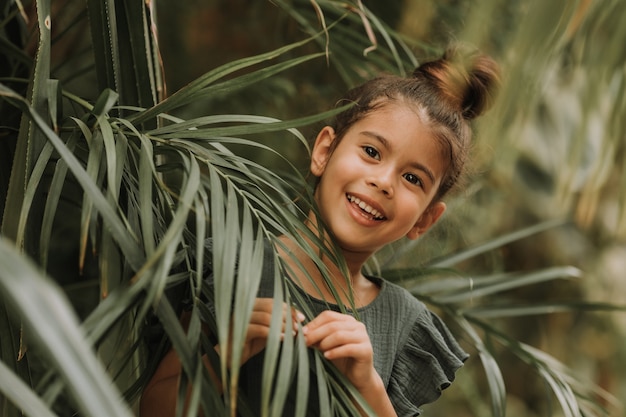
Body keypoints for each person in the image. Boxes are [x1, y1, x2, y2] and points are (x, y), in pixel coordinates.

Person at [140, 44, 500, 417]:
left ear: (425, 219)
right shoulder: (230, 264)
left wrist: (366, 387)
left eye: (412, 178)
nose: (383, 182)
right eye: (372, 153)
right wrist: (229, 353)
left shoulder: (404, 326)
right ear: (324, 151)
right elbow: (152, 407)